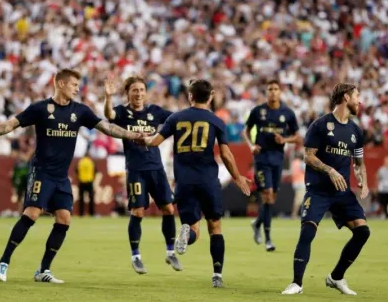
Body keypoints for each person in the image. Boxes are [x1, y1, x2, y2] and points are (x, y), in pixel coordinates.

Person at [0, 69, 145, 283]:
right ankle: (4, 261)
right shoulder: (40, 109)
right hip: (42, 172)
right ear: (61, 84)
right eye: (74, 85)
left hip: (61, 177)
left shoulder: (81, 111)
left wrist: (132, 135)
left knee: (64, 219)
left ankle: (43, 270)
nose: (77, 88)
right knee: (32, 213)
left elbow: (107, 128)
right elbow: (9, 126)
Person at [142, 79, 251, 288]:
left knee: (193, 227)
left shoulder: (176, 118)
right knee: (215, 226)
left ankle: (187, 234)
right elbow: (226, 154)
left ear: (190, 96)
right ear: (210, 97)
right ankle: (217, 275)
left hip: (184, 181)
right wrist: (237, 177)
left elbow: (155, 141)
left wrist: (142, 139)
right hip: (208, 180)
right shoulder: (216, 121)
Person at [282, 83, 371, 296]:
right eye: (357, 96)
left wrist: (363, 182)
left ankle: (336, 277)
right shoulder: (320, 125)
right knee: (308, 231)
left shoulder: (355, 130)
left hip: (342, 193)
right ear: (346, 97)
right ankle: (297, 283)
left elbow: (359, 163)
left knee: (362, 231)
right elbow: (308, 155)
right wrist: (330, 170)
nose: (360, 101)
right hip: (319, 190)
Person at [103, 75, 181, 274]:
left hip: (156, 168)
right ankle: (136, 256)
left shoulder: (155, 111)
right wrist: (108, 97)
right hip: (136, 170)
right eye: (134, 90)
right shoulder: (122, 111)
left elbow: (176, 120)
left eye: (141, 90)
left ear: (146, 93)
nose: (138, 94)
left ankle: (170, 251)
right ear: (128, 93)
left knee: (169, 209)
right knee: (138, 212)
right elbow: (109, 115)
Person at [242, 79, 300, 252]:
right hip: (262, 159)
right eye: (270, 89)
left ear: (280, 92)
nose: (273, 92)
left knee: (271, 198)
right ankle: (268, 239)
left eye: (276, 89)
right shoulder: (258, 111)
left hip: (278, 158)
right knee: (266, 194)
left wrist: (285, 139)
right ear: (266, 92)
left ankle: (257, 223)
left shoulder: (287, 113)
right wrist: (252, 145)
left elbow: (297, 136)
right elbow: (245, 131)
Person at [76, 153, 96, 217]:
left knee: (81, 198)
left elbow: (76, 170)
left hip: (82, 182)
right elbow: (95, 170)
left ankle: (81, 213)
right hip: (89, 181)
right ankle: (92, 213)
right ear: (88, 156)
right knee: (91, 198)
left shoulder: (80, 162)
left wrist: (79, 176)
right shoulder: (90, 162)